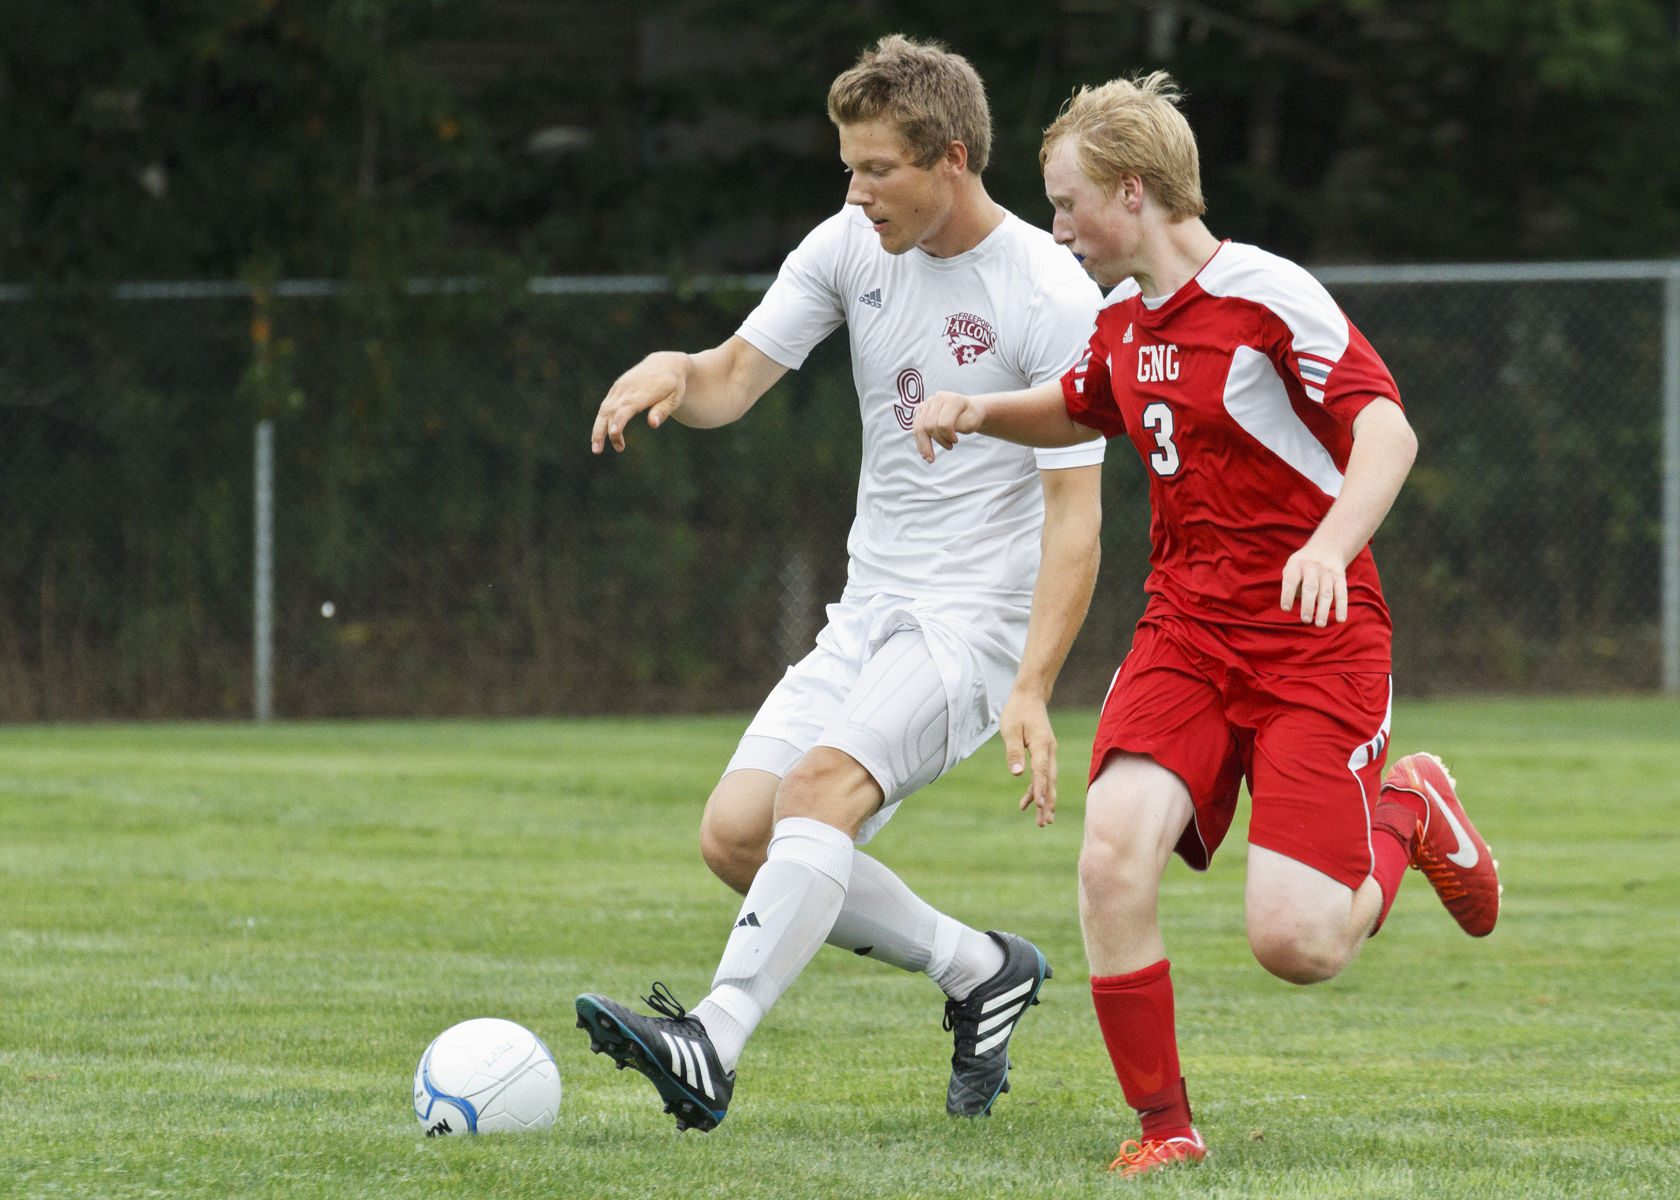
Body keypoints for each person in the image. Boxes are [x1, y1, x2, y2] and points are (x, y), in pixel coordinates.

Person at [911, 72, 1501, 1177]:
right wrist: (981, 410)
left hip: (1315, 641)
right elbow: (1080, 404)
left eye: (1068, 203)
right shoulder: (1121, 321)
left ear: (1132, 192)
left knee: (1299, 942)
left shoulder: (1268, 295)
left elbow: (1387, 433)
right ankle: (1165, 1129)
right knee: (1109, 856)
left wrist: (1327, 546)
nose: (1058, 228)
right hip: (1186, 633)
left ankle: (1410, 810)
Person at [575, 35, 1107, 1132]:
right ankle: (982, 970)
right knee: (737, 836)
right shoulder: (846, 245)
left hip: (974, 625)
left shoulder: (1049, 291)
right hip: (869, 609)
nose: (857, 193)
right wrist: (676, 369)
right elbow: (731, 379)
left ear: (951, 159)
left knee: (817, 793)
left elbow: (1077, 517)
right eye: (848, 168)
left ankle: (712, 1041)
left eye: (878, 170)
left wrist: (1032, 684)